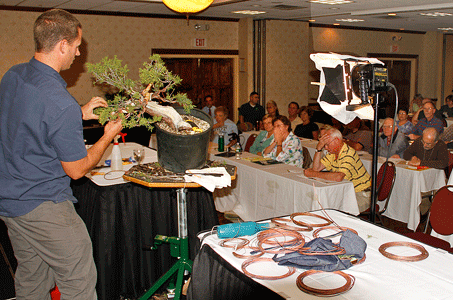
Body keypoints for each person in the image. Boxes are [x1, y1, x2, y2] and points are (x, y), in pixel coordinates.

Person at [0, 9, 123, 299]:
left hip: (10, 202)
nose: (79, 54)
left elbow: (25, 122)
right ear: (63, 45)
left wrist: (78, 113)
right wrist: (107, 136)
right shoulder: (59, 101)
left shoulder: (14, 75)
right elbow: (77, 170)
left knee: (32, 276)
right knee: (78, 280)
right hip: (44, 205)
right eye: (77, 46)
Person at [304, 128, 372, 212]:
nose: (325, 148)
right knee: (325, 204)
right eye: (324, 145)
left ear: (336, 140)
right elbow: (316, 168)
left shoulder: (348, 153)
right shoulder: (333, 153)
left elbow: (339, 177)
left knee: (338, 210)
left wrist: (313, 174)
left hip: (363, 193)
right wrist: (318, 149)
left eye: (327, 144)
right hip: (349, 191)